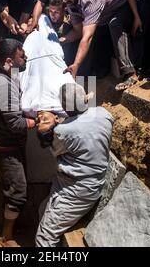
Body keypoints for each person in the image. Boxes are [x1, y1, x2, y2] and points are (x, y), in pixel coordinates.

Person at [35, 82, 114, 247]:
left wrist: (48, 131)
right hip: (89, 182)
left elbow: (55, 149)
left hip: (75, 191)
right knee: (43, 209)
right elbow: (84, 128)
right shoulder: (104, 114)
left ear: (65, 109)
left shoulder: (64, 131)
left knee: (44, 238)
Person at [0, 38, 36, 247]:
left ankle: (11, 228)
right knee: (17, 191)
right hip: (6, 148)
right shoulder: (2, 85)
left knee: (16, 187)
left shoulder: (7, 74)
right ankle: (7, 236)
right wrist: (37, 121)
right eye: (21, 56)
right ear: (9, 60)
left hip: (10, 144)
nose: (25, 58)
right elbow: (15, 124)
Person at [56, 0, 135, 84]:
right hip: (107, 15)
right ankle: (88, 79)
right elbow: (79, 32)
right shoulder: (71, 2)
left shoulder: (90, 0)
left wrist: (76, 64)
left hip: (129, 3)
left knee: (114, 24)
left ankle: (130, 73)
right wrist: (61, 40)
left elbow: (87, 37)